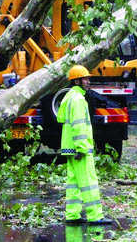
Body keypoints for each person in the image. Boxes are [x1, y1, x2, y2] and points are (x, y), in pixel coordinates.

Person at [58, 65, 113, 225]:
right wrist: (82, 148)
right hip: (79, 149)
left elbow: (66, 122)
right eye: (85, 79)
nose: (88, 81)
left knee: (73, 182)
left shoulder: (69, 96)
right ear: (77, 81)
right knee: (89, 182)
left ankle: (72, 215)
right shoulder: (78, 100)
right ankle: (96, 216)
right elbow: (78, 125)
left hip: (70, 147)